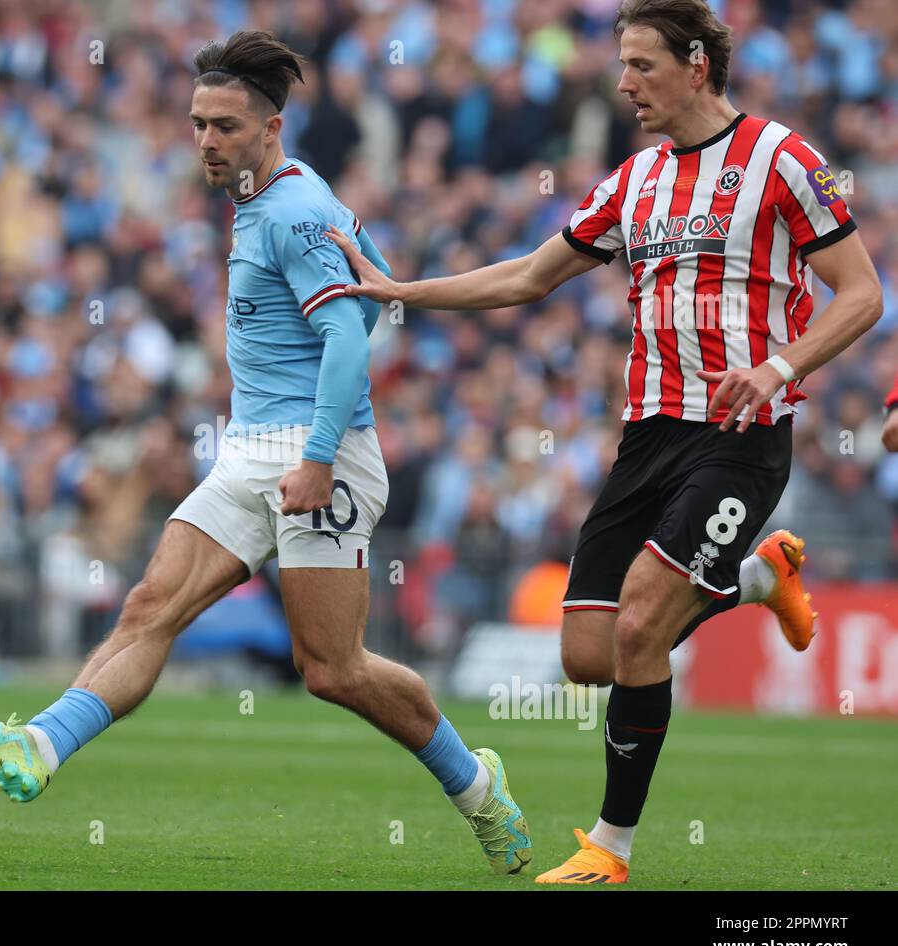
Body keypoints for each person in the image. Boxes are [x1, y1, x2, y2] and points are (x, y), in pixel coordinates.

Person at [0, 30, 533, 875]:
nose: (206, 141)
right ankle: (37, 745)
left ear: (271, 127)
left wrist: (319, 455)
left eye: (224, 126)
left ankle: (477, 785)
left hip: (325, 453)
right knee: (149, 606)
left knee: (332, 668)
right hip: (251, 449)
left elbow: (350, 342)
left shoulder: (290, 209)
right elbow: (372, 287)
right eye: (197, 124)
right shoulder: (270, 203)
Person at [325, 0, 883, 883]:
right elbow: (529, 275)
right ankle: (760, 576)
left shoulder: (784, 160)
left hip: (741, 434)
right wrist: (402, 290)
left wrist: (778, 368)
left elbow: (861, 293)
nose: (624, 84)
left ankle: (609, 848)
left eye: (641, 65)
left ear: (697, 65)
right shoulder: (635, 181)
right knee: (590, 657)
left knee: (641, 628)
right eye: (621, 66)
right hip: (648, 438)